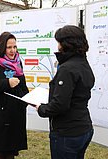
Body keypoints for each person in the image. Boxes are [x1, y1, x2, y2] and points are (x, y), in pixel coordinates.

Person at [35, 25, 95, 159]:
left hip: (67, 133)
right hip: (84, 128)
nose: (57, 46)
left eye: (59, 42)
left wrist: (41, 109)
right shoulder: (83, 63)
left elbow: (60, 105)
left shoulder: (67, 68)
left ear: (65, 44)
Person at [0, 32, 29, 159]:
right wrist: (6, 83)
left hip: (15, 113)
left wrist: (28, 98)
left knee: (11, 150)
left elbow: (23, 85)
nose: (13, 50)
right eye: (9, 47)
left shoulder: (18, 63)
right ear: (2, 47)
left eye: (14, 47)